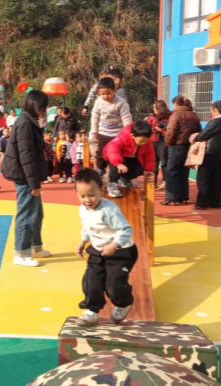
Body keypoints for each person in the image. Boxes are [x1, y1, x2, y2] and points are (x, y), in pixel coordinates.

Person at [73, 169, 136, 326]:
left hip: (121, 252)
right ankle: (91, 311)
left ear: (101, 190)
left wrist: (114, 245)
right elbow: (88, 226)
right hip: (98, 250)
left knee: (113, 284)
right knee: (91, 281)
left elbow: (126, 229)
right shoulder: (83, 209)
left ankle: (124, 303)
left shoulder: (109, 210)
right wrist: (83, 241)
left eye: (91, 195)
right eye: (82, 196)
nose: (87, 200)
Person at [0, 90, 51, 267]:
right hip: (24, 176)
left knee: (37, 213)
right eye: (44, 107)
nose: (44, 111)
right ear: (37, 106)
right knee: (27, 214)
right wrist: (34, 184)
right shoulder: (25, 124)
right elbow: (26, 156)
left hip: (28, 175)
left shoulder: (30, 121)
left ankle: (35, 246)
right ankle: (21, 252)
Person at [162, 96, 201, 206]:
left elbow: (170, 132)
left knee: (172, 171)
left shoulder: (176, 115)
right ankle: (183, 196)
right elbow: (199, 131)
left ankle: (171, 197)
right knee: (184, 172)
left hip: (176, 145)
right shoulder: (194, 115)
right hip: (188, 146)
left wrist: (168, 142)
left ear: (175, 104)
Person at [89, 76, 132, 175]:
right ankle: (101, 168)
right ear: (99, 92)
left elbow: (126, 118)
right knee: (100, 152)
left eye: (108, 93)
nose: (105, 96)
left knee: (116, 153)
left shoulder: (121, 102)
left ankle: (117, 174)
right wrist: (94, 130)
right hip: (103, 133)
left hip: (117, 135)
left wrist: (128, 132)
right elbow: (95, 116)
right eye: (102, 94)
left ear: (114, 90)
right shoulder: (98, 102)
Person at [103, 121, 156, 198]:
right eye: (141, 141)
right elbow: (112, 149)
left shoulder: (147, 142)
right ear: (132, 135)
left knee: (139, 169)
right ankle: (112, 183)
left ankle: (124, 179)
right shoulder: (123, 137)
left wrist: (149, 169)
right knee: (119, 164)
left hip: (130, 158)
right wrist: (118, 163)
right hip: (113, 156)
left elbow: (149, 155)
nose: (144, 143)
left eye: (146, 140)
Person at [193, 101, 221, 210]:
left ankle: (202, 203)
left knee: (203, 178)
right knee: (214, 178)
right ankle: (215, 202)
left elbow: (204, 134)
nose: (211, 113)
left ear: (215, 110)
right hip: (217, 152)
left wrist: (195, 138)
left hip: (210, 152)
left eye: (211, 110)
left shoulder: (216, 121)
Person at [146, 100, 170, 190]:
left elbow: (169, 132)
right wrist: (151, 129)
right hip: (152, 141)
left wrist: (160, 130)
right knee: (153, 163)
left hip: (162, 142)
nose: (153, 109)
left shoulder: (168, 118)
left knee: (164, 162)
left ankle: (165, 181)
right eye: (153, 108)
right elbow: (146, 125)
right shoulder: (151, 117)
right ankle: (153, 182)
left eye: (155, 108)